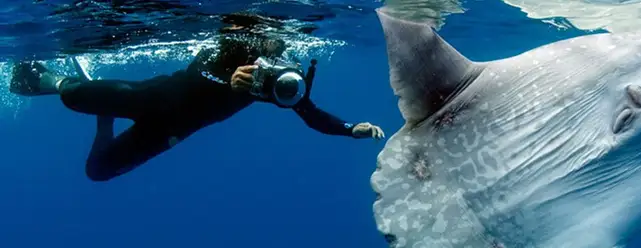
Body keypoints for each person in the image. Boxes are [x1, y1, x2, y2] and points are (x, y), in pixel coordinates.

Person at [7, 11, 385, 182]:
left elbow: (310, 113)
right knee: (73, 96)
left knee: (98, 171)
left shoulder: (281, 76)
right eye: (269, 37)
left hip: (177, 128)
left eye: (279, 42)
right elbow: (195, 74)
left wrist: (349, 129)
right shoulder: (232, 43)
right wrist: (229, 82)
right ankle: (52, 79)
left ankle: (104, 119)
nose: (274, 45)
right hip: (153, 97)